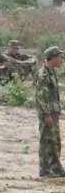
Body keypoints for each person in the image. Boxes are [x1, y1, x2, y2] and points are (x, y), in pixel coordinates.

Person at [36, 46, 65, 179]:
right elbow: (41, 96)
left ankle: (56, 168)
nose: (61, 60)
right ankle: (45, 170)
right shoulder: (43, 74)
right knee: (46, 141)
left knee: (55, 141)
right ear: (52, 58)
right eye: (59, 57)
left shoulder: (52, 72)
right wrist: (46, 114)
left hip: (53, 112)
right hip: (47, 113)